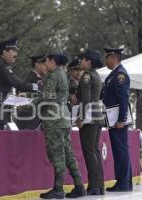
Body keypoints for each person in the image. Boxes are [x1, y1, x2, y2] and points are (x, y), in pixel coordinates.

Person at [37, 53, 86, 199]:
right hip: (63, 117)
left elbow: (45, 96)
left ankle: (58, 188)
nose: (45, 64)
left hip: (54, 119)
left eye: (46, 61)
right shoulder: (62, 73)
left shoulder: (54, 75)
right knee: (68, 152)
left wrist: (25, 106)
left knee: (57, 152)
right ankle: (79, 186)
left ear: (53, 61)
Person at [0, 37, 41, 130]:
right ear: (4, 52)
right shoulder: (1, 66)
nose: (16, 54)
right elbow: (18, 84)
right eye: (13, 51)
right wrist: (38, 86)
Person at [103, 47, 132, 191]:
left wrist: (122, 119)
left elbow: (124, 99)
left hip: (118, 120)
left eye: (107, 57)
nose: (105, 60)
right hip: (113, 119)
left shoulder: (120, 74)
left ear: (114, 57)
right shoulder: (113, 74)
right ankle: (123, 181)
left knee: (121, 150)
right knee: (119, 150)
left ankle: (124, 183)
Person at [76, 49, 104, 195]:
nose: (81, 61)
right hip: (98, 115)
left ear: (89, 62)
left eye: (83, 59)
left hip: (89, 116)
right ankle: (99, 185)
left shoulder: (86, 75)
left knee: (89, 151)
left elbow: (86, 99)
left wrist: (80, 117)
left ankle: (94, 185)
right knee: (95, 151)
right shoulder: (96, 75)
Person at [15, 54, 47, 130]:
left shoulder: (37, 78)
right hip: (28, 118)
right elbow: (22, 95)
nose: (46, 67)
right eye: (44, 64)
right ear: (37, 64)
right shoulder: (31, 78)